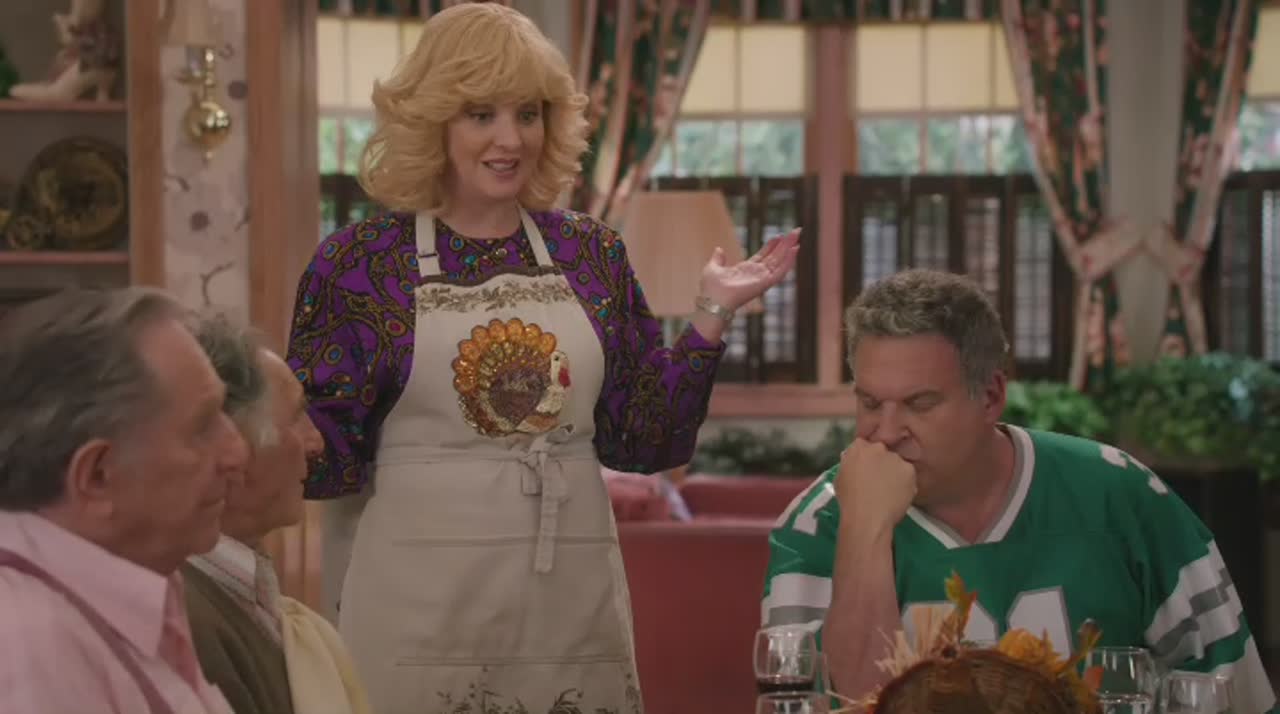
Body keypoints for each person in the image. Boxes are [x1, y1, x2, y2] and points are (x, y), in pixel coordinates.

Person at [286, 3, 800, 712]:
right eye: (481, 115)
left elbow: (643, 438)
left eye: (528, 114)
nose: (511, 139)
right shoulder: (360, 266)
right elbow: (324, 461)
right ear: (434, 121)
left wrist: (712, 314)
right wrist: (265, 420)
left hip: (569, 611)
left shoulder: (591, 254)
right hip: (418, 617)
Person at [762, 269, 1277, 713]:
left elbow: (1232, 693)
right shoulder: (816, 522)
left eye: (920, 404)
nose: (887, 432)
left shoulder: (1124, 494)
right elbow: (851, 704)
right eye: (871, 403)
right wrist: (865, 528)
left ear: (990, 396)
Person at [0, 287, 247, 714]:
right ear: (97, 476)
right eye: (203, 427)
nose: (237, 452)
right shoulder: (29, 648)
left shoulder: (133, 587)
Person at [184, 315, 372, 714]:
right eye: (297, 417)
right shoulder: (182, 620)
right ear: (233, 445)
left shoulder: (248, 604)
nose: (316, 442)